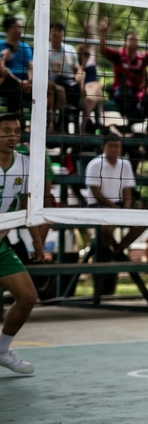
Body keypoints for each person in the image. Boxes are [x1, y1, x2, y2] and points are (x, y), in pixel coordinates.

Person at [0, 113, 41, 374]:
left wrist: (37, 242)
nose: (12, 136)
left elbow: (28, 205)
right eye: (6, 131)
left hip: (1, 245)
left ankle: (2, 350)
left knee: (27, 297)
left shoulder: (25, 164)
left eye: (16, 131)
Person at [84, 134, 145, 261]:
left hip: (119, 204)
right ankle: (108, 252)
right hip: (97, 205)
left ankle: (117, 250)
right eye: (110, 146)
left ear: (121, 148)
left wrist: (125, 209)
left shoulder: (125, 164)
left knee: (142, 223)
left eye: (117, 146)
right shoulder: (94, 165)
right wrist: (114, 208)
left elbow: (127, 191)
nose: (113, 149)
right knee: (108, 225)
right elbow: (96, 193)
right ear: (103, 147)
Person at [98, 19, 148, 132]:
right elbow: (102, 50)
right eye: (130, 39)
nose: (133, 42)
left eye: (135, 40)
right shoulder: (118, 56)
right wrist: (103, 33)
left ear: (138, 43)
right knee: (126, 99)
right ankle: (126, 127)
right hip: (121, 91)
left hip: (138, 91)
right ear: (125, 42)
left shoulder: (143, 57)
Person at [47, 21, 83, 132]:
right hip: (52, 84)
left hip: (70, 83)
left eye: (59, 31)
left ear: (63, 34)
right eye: (53, 30)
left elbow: (78, 68)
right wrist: (54, 71)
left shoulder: (70, 49)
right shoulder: (44, 49)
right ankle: (57, 124)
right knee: (58, 90)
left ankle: (74, 129)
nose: (56, 33)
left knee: (75, 91)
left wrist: (79, 76)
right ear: (49, 33)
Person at [0, 15, 33, 115]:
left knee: (39, 90)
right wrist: (4, 59)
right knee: (15, 91)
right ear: (7, 30)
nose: (18, 30)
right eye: (15, 27)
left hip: (25, 81)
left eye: (20, 27)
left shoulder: (25, 47)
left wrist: (29, 82)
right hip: (8, 81)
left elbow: (30, 66)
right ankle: (15, 120)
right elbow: (2, 71)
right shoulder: (1, 45)